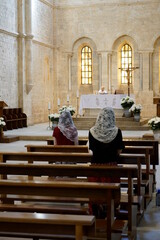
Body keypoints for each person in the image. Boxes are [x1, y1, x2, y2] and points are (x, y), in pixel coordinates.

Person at [88, 107, 124, 218]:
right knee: (111, 193)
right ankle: (111, 212)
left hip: (95, 169)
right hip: (111, 169)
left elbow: (91, 149)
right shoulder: (117, 132)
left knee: (96, 193)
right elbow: (119, 150)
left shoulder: (92, 131)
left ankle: (97, 212)